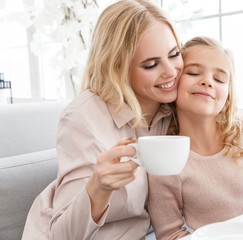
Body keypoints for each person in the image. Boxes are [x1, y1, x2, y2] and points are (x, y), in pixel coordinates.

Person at [22, 0, 183, 239]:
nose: (171, 71)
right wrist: (99, 187)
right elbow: (63, 235)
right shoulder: (83, 117)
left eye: (175, 54)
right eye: (151, 64)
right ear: (118, 68)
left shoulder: (176, 107)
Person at [147, 36, 243, 240]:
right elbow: (170, 234)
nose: (207, 81)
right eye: (193, 72)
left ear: (227, 95)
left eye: (219, 79)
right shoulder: (165, 161)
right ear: (173, 83)